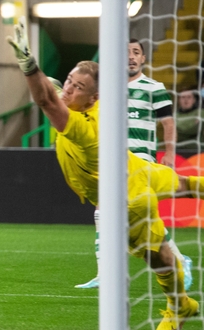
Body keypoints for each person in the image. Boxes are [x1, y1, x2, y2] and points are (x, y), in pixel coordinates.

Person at [8, 17, 201, 330]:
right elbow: (52, 90)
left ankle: (180, 305)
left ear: (94, 99)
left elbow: (45, 99)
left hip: (128, 198)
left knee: (157, 257)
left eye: (78, 87)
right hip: (136, 166)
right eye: (69, 80)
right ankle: (180, 303)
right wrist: (44, 77)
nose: (69, 88)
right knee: (187, 185)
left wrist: (29, 66)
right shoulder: (80, 102)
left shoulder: (85, 128)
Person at [76, 38, 189, 290]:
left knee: (121, 213)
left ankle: (175, 261)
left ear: (143, 58)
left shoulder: (154, 87)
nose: (131, 56)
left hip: (141, 159)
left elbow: (168, 123)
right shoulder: (107, 90)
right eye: (126, 52)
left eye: (136, 52)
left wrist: (170, 153)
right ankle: (104, 272)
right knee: (107, 212)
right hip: (112, 159)